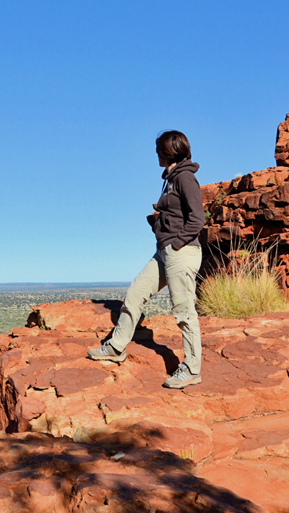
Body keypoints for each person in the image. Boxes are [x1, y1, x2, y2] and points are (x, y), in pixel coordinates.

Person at [87, 130, 205, 389]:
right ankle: (116, 348)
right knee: (135, 294)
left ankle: (192, 369)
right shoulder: (171, 178)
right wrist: (160, 223)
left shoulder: (185, 177)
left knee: (184, 311)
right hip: (164, 252)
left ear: (169, 151)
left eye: (158, 150)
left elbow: (197, 219)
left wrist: (176, 243)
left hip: (181, 252)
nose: (156, 154)